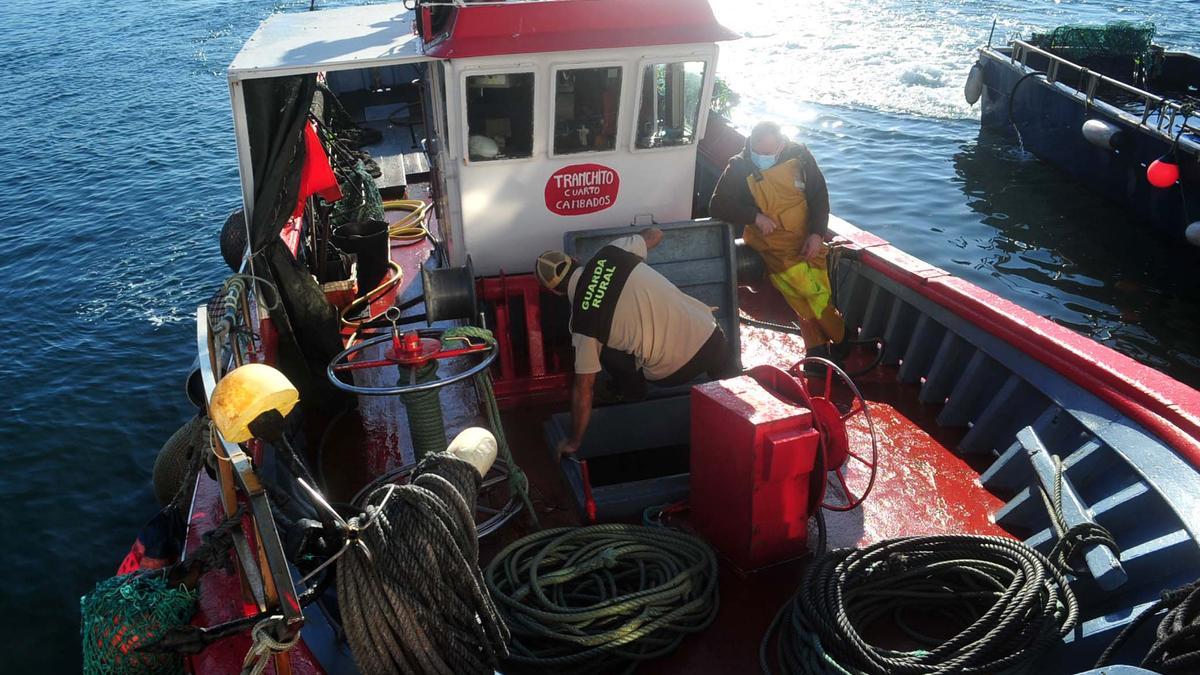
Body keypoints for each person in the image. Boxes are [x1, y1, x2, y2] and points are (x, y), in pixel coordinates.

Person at [535, 228, 736, 456]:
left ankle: (633, 392)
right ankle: (733, 391)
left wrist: (573, 442)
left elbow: (584, 388)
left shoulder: (582, 325)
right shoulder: (611, 252)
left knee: (603, 348)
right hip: (713, 336)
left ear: (555, 292)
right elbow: (656, 234)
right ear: (574, 260)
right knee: (732, 382)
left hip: (674, 372)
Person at [709, 121, 845, 352]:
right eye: (757, 151)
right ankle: (842, 339)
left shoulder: (800, 156)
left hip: (806, 238)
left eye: (768, 152)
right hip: (772, 245)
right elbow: (717, 205)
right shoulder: (739, 166)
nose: (762, 156)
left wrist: (817, 234)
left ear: (781, 145)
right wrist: (754, 217)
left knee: (816, 293)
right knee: (803, 290)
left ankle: (818, 351)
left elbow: (819, 195)